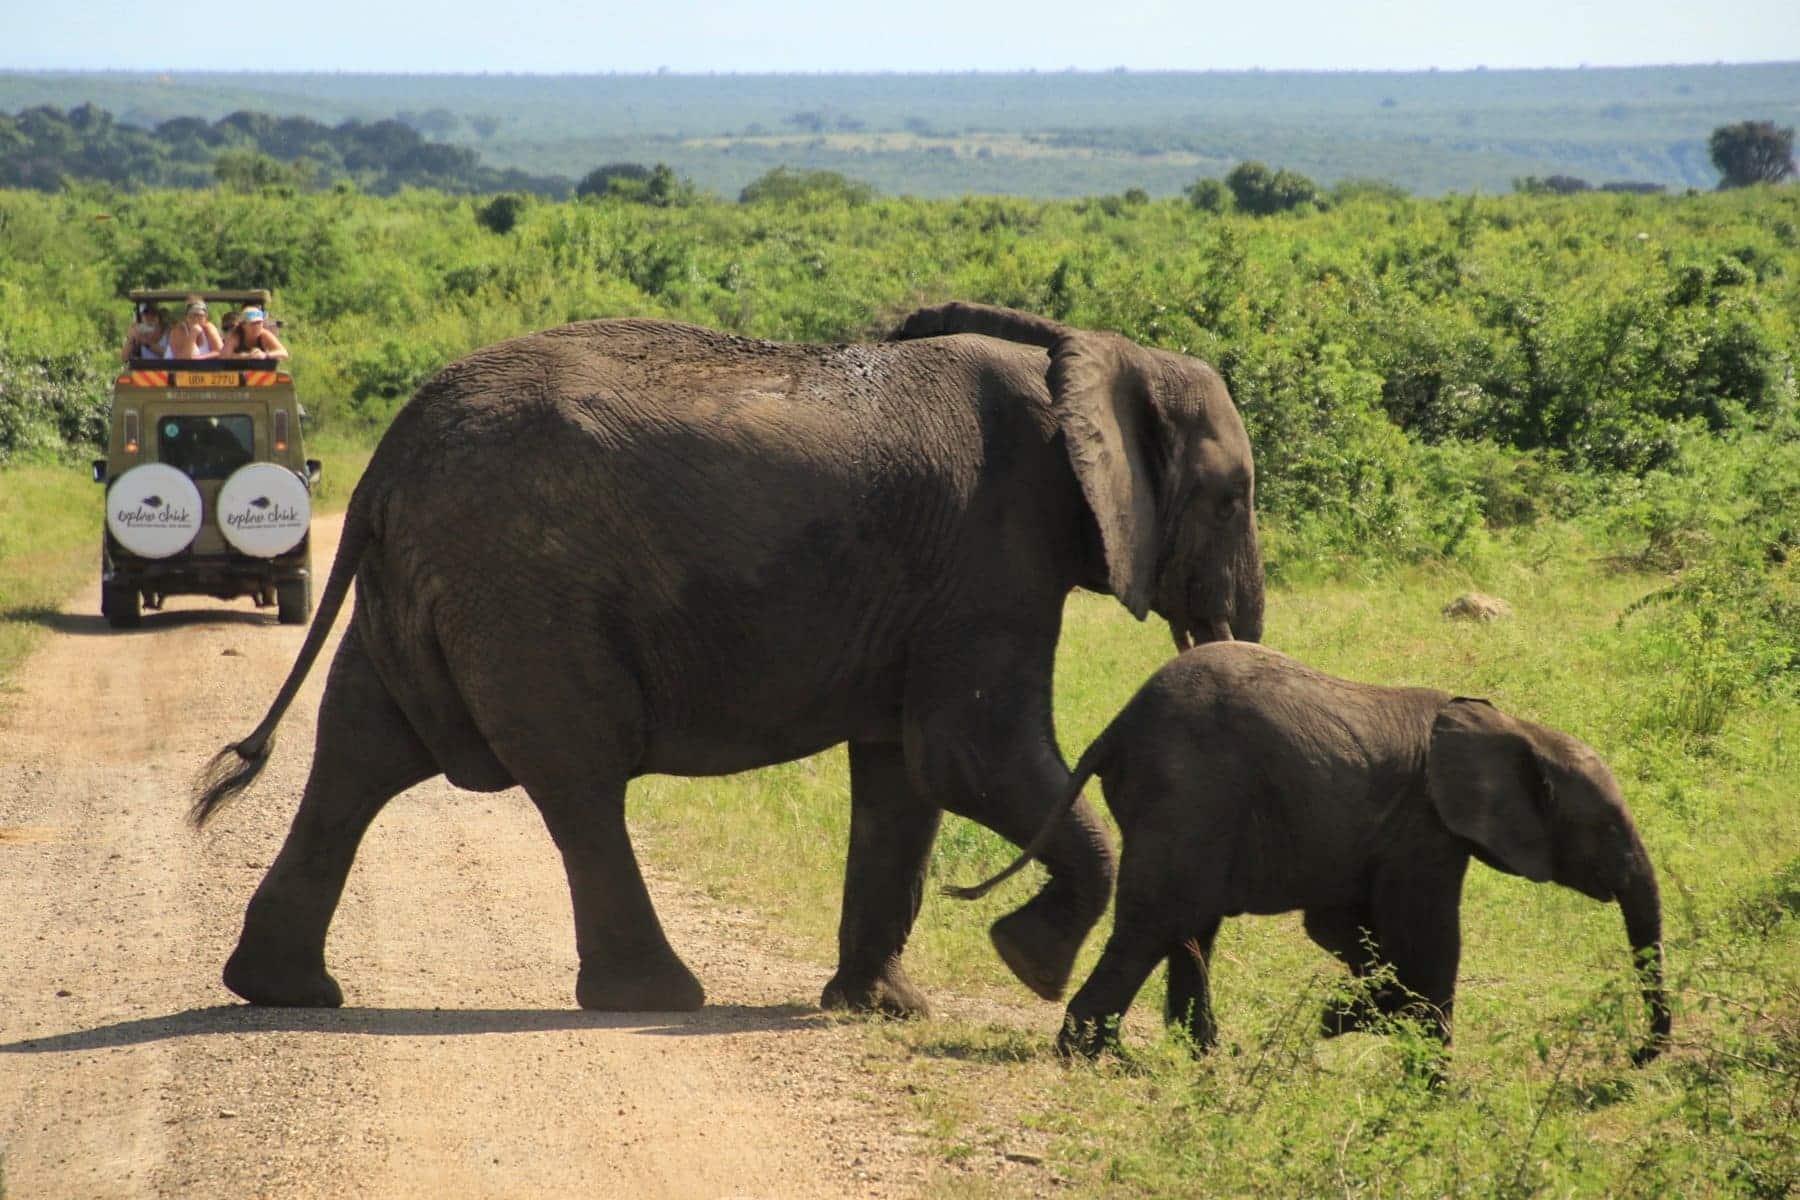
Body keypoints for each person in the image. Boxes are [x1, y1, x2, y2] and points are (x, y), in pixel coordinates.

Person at [220, 306, 289, 360]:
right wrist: (245, 356)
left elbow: (284, 353)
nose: (257, 327)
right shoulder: (236, 335)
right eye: (253, 323)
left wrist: (265, 355)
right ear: (243, 325)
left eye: (259, 323)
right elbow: (224, 356)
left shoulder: (264, 334)